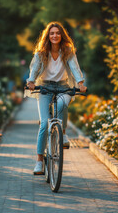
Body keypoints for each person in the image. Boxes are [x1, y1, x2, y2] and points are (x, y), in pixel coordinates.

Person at [25, 21, 87, 175]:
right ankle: (39, 161)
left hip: (63, 86)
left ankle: (63, 132)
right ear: (48, 36)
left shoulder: (68, 51)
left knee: (62, 105)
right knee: (44, 124)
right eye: (52, 33)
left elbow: (74, 67)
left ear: (62, 35)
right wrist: (31, 81)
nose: (55, 36)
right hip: (45, 87)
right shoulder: (41, 53)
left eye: (57, 33)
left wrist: (80, 83)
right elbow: (35, 69)